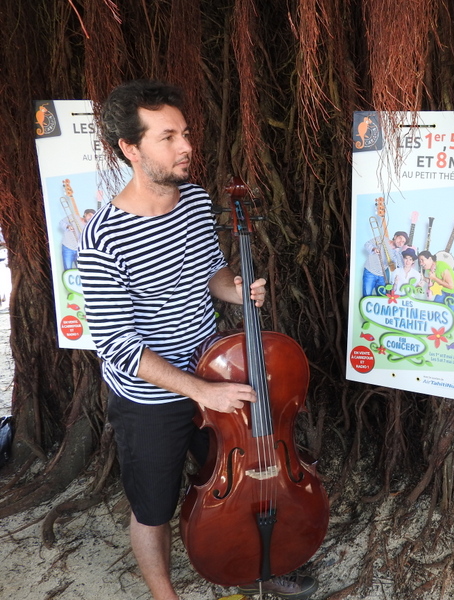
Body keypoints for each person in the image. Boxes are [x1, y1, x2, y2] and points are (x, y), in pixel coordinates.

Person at [77, 80, 317, 600]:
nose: (186, 146)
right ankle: (166, 594)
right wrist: (201, 392)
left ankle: (256, 566)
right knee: (153, 508)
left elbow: (211, 272)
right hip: (151, 399)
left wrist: (236, 289)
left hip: (215, 374)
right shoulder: (103, 238)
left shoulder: (195, 202)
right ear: (130, 149)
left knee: (244, 483)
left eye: (185, 133)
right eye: (168, 137)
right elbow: (118, 345)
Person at [362, 230, 406, 296]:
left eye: (403, 242)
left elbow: (400, 266)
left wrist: (397, 252)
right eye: (400, 238)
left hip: (382, 275)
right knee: (367, 296)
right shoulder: (382, 238)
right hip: (370, 272)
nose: (400, 242)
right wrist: (374, 249)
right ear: (395, 237)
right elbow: (367, 244)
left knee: (382, 297)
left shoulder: (396, 253)